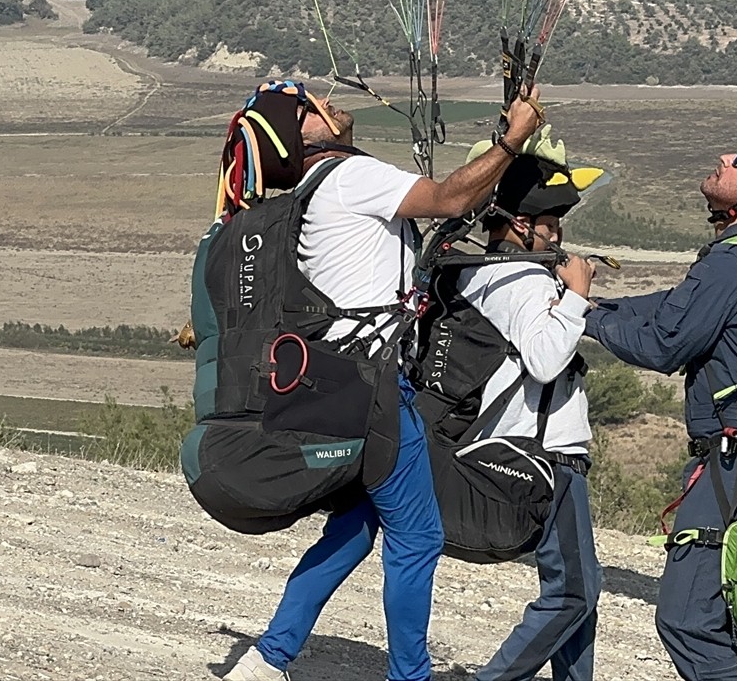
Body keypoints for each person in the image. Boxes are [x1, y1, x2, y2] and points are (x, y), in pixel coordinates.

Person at [224, 88, 546, 681]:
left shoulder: (302, 194)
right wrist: (511, 140)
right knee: (418, 535)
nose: (327, 99)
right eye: (310, 102)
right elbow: (448, 196)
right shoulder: (351, 176)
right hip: (373, 389)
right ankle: (409, 677)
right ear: (306, 133)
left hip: (326, 385)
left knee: (355, 527)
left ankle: (268, 657)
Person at [581, 131, 737, 681]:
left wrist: (582, 316)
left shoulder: (733, 265)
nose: (722, 158)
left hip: (736, 462)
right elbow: (672, 308)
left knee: (689, 619)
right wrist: (594, 301)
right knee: (722, 622)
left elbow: (662, 344)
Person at [450, 150, 602, 681]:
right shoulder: (523, 280)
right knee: (572, 593)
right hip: (543, 452)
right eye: (551, 224)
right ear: (520, 223)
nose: (558, 237)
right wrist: (576, 296)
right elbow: (544, 360)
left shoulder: (480, 274)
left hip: (534, 448)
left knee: (579, 593)